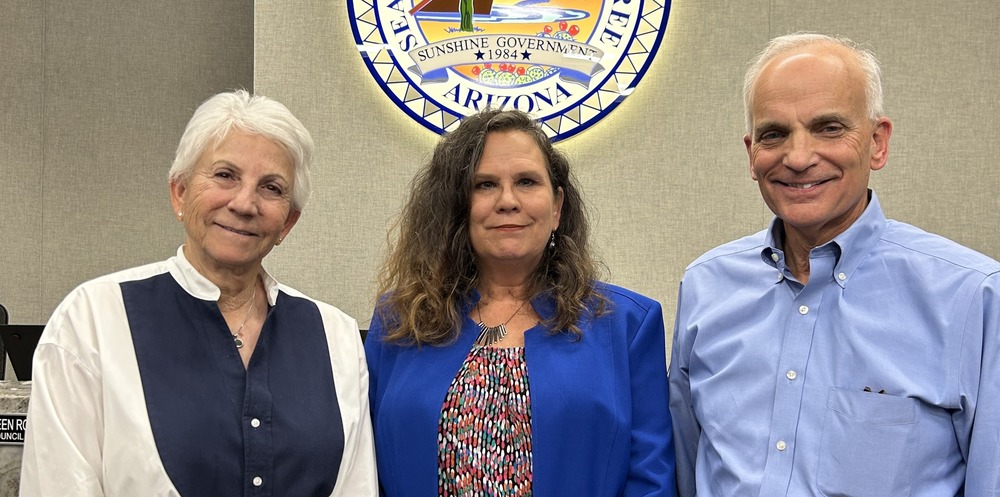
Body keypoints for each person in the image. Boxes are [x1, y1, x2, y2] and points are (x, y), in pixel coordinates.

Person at [668, 32, 1000, 496]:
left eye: (828, 128)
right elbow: (684, 469)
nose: (799, 157)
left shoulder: (974, 299)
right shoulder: (706, 286)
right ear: (751, 154)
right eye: (774, 134)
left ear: (878, 143)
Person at [20, 90, 377, 496]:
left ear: (288, 223)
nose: (245, 203)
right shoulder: (92, 321)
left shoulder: (336, 337)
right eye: (225, 175)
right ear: (180, 192)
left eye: (271, 188)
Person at [365, 109, 675, 496]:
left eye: (527, 182)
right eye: (484, 185)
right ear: (456, 206)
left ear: (557, 206)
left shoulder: (628, 325)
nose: (507, 200)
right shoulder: (399, 321)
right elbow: (365, 473)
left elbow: (650, 482)